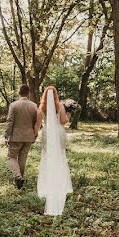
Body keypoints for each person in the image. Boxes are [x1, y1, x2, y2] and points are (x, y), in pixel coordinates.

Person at [35, 85, 72, 216]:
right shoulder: (61, 106)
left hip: (47, 133)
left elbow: (39, 124)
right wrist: (68, 115)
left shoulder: (41, 108)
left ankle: (46, 186)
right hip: (59, 132)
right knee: (60, 155)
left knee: (47, 156)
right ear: (56, 95)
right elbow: (63, 121)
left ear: (44, 95)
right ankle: (62, 183)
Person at [4, 84, 38, 190]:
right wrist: (35, 135)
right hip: (28, 137)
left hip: (16, 136)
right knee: (23, 158)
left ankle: (18, 176)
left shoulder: (14, 105)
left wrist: (6, 135)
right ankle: (20, 181)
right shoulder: (34, 106)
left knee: (12, 156)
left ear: (19, 92)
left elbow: (10, 121)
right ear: (28, 93)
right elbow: (36, 123)